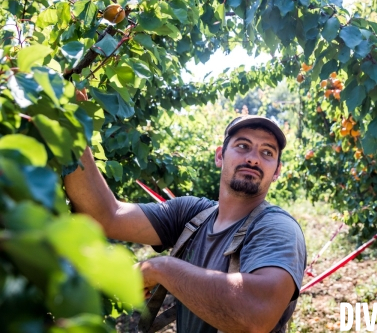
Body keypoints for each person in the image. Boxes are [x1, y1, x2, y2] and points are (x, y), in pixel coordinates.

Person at [64, 114, 307, 333]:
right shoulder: (191, 214)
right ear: (220, 156)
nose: (254, 159)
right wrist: (70, 127)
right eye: (243, 146)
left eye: (267, 153)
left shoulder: (277, 228)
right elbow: (106, 215)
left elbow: (256, 316)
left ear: (277, 171)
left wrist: (161, 269)